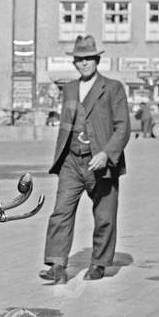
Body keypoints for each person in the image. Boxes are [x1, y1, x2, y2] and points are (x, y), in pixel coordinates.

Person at [39, 35, 130, 284]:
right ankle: (57, 265)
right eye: (79, 59)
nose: (84, 63)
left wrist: (106, 154)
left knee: (105, 216)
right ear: (74, 62)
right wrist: (62, 155)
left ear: (97, 60)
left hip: (101, 163)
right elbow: (66, 125)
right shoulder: (69, 88)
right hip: (72, 161)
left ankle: (99, 262)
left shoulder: (113, 88)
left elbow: (123, 128)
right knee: (61, 212)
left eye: (88, 58)